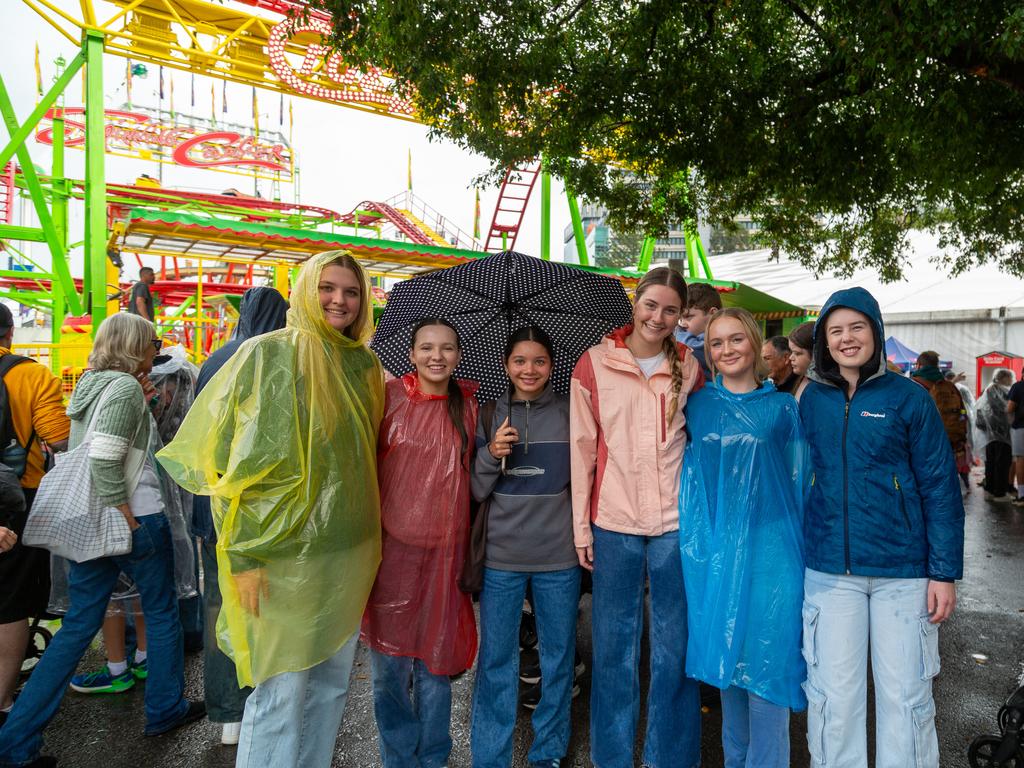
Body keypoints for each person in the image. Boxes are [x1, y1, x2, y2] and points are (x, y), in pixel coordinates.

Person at [157, 250, 384, 768]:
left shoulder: (364, 365)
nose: (339, 300)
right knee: (279, 694)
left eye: (352, 291)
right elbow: (239, 463)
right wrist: (247, 559)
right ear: (306, 288)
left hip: (347, 550)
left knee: (329, 689)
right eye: (328, 287)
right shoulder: (268, 355)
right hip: (279, 556)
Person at [0, 313, 203, 768]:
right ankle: (165, 707)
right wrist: (126, 516)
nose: (158, 347)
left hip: (93, 523)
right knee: (162, 611)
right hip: (135, 518)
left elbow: (101, 444)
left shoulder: (92, 385)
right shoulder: (126, 388)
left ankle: (15, 741)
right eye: (154, 341)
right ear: (135, 345)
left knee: (77, 626)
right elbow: (107, 459)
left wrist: (145, 410)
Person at [799, 287, 964, 768]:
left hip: (904, 575)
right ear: (824, 343)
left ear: (876, 332)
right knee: (833, 699)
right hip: (829, 573)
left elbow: (940, 488)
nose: (847, 339)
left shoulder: (910, 399)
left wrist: (944, 572)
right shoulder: (810, 401)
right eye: (836, 331)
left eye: (857, 327)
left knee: (907, 699)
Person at [571, 266, 704, 768]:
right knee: (613, 650)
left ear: (680, 314)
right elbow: (582, 450)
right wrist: (582, 527)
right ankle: (612, 757)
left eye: (671, 309)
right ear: (636, 302)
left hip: (675, 524)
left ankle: (669, 758)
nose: (659, 317)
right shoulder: (594, 363)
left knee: (674, 650)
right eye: (652, 305)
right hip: (613, 523)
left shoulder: (690, 366)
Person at [679, 308, 808, 768]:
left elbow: (800, 482)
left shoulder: (782, 408)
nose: (727, 349)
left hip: (774, 553)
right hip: (716, 551)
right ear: (708, 352)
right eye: (716, 343)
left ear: (754, 344)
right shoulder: (697, 406)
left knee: (768, 668)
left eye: (736, 339)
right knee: (729, 668)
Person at [361, 318, 479, 768]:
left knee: (436, 665)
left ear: (459, 356)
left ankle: (433, 755)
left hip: (445, 558)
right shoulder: (387, 400)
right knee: (388, 669)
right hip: (392, 556)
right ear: (410, 354)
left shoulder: (469, 408)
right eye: (427, 347)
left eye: (447, 348)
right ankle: (398, 756)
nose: (437, 356)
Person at [471, 326, 578, 768]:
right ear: (506, 365)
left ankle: (548, 752)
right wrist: (490, 453)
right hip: (501, 558)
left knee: (558, 661)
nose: (529, 369)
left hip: (559, 557)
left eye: (539, 361)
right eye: (519, 361)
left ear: (552, 366)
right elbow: (476, 492)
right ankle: (490, 756)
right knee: (495, 661)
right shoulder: (489, 414)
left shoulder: (574, 412)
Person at [191, 286, 288, 746]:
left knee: (220, 607)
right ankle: (254, 710)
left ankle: (227, 716)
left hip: (208, 506)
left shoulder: (215, 358)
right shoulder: (272, 359)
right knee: (258, 613)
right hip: (250, 510)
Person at [0, 304, 70, 727]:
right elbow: (59, 437)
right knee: (9, 603)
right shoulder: (30, 375)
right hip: (16, 499)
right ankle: (4, 699)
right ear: (10, 332)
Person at [911, 351, 970, 490]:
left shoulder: (911, 385)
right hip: (950, 442)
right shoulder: (950, 387)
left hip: (922, 447)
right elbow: (963, 413)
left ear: (918, 366)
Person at [975, 369, 1015, 500]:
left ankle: (991, 486)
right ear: (1003, 378)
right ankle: (999, 490)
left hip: (991, 432)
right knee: (1002, 461)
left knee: (992, 460)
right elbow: (1002, 410)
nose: (1011, 380)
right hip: (1000, 432)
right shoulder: (997, 390)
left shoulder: (989, 389)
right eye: (1009, 378)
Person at [674, 281, 721, 381]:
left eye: (688, 317)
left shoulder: (718, 338)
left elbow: (690, 347)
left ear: (713, 314)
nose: (683, 323)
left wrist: (676, 329)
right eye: (680, 318)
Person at [1007, 371, 1024, 505]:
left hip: (1021, 427)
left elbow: (1010, 408)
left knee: (1020, 459)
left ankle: (1022, 495)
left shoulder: (1018, 386)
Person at [787, 321, 814, 402]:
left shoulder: (821, 389)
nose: (791, 358)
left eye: (797, 353)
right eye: (791, 352)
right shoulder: (802, 378)